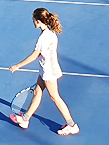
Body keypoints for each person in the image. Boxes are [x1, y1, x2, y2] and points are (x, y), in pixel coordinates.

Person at [8, 8, 79, 136]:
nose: (33, 22)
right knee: (37, 93)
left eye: (34, 20)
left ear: (39, 21)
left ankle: (71, 125)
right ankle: (25, 120)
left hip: (48, 72)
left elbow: (34, 55)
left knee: (55, 97)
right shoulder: (51, 34)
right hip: (47, 69)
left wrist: (18, 65)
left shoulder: (43, 38)